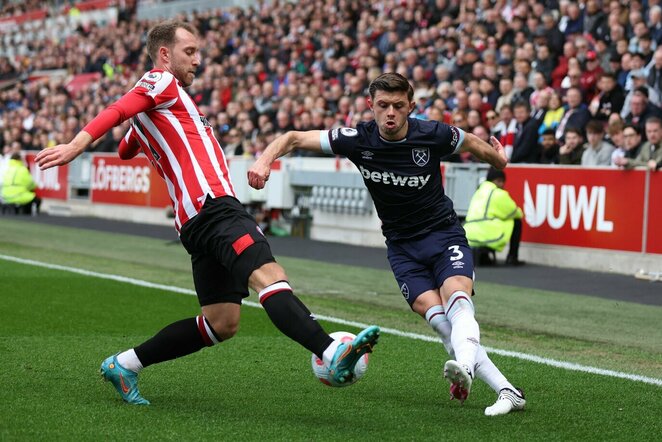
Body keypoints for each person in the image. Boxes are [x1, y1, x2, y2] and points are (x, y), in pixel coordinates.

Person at [35, 20, 380, 405]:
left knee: (221, 322)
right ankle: (331, 352)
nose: (198, 60)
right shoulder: (160, 81)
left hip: (193, 223)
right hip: (214, 207)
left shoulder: (163, 103)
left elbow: (125, 149)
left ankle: (124, 364)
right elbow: (119, 109)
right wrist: (78, 143)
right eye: (190, 52)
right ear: (165, 55)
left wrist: (140, 125)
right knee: (270, 276)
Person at [248, 73, 526, 416]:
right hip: (401, 247)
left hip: (443, 235)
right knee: (442, 323)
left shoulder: (432, 134)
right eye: (383, 106)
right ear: (371, 106)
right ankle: (508, 391)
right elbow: (292, 137)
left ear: (411, 106)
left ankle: (465, 369)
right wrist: (263, 161)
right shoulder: (356, 139)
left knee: (458, 299)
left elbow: (468, 141)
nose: (390, 113)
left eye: (398, 106)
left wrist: (498, 160)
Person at [464, 168, 524, 267]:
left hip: (469, 234)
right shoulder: (498, 193)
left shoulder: (478, 192)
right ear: (495, 180)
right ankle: (512, 257)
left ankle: (484, 257)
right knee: (517, 221)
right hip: (486, 234)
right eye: (500, 181)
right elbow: (514, 212)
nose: (502, 184)